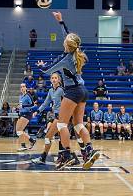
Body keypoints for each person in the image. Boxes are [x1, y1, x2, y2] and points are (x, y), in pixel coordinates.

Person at [36, 11, 99, 170]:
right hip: (83, 90)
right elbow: (68, 36)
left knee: (62, 125)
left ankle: (67, 155)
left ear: (66, 44)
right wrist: (61, 21)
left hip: (72, 92)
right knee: (78, 125)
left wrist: (41, 66)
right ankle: (89, 150)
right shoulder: (77, 52)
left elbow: (46, 71)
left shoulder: (64, 59)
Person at [31, 73, 81, 165]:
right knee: (62, 140)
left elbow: (70, 101)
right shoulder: (50, 91)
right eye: (52, 78)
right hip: (57, 116)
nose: (54, 79)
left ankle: (43, 158)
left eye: (55, 78)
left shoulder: (62, 90)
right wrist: (37, 111)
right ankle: (73, 158)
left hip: (63, 116)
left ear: (59, 80)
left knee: (48, 137)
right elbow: (45, 103)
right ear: (50, 80)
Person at [16, 83, 37, 151]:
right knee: (18, 131)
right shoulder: (20, 96)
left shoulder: (28, 95)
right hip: (21, 114)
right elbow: (21, 105)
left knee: (19, 130)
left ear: (26, 88)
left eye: (24, 86)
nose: (22, 88)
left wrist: (23, 106)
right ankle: (30, 141)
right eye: (21, 87)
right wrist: (17, 108)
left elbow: (32, 104)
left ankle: (27, 143)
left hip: (27, 114)